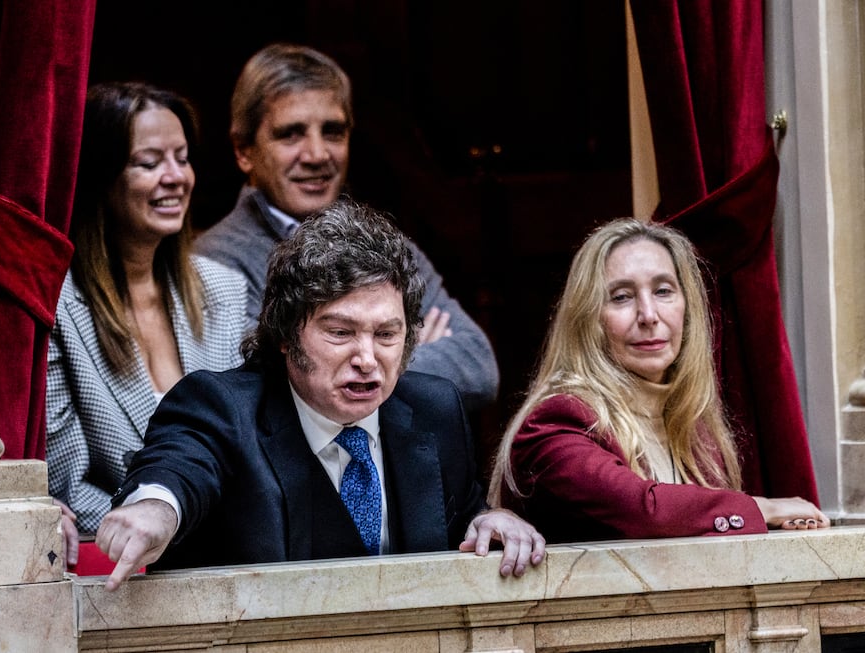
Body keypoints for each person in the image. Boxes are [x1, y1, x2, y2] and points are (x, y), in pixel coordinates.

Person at [95, 200, 545, 591]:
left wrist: (488, 522)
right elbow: (179, 469)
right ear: (286, 334)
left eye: (386, 334)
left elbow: (462, 517)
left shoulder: (434, 408)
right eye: (340, 332)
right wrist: (157, 508)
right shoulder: (221, 406)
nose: (367, 359)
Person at [193, 42, 498, 412]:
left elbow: (478, 366)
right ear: (244, 151)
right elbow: (259, 392)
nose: (318, 154)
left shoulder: (385, 244)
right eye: (291, 134)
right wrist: (403, 348)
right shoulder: (216, 261)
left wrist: (336, 371)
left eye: (333, 132)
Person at [488, 217, 829, 543]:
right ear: (588, 318)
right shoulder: (558, 420)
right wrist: (762, 508)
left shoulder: (691, 425)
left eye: (663, 291)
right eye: (621, 297)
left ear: (687, 307)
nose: (649, 315)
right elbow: (645, 511)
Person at [46, 82, 250, 563]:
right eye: (150, 162)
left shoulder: (224, 288)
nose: (176, 177)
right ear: (102, 176)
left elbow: (252, 450)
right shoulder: (57, 306)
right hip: (123, 567)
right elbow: (68, 484)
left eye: (183, 158)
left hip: (233, 557)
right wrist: (168, 528)